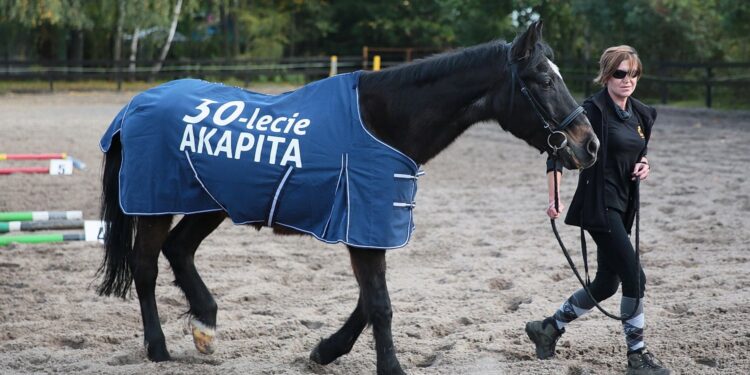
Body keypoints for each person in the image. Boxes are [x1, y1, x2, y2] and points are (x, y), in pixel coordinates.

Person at [525, 45, 670, 375]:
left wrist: (644, 164)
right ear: (606, 75)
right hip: (598, 205)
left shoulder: (642, 115)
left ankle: (549, 328)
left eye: (633, 73)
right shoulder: (591, 110)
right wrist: (554, 198)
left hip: (623, 205)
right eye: (620, 73)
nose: (627, 79)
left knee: (607, 282)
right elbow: (556, 152)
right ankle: (637, 356)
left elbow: (638, 152)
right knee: (635, 277)